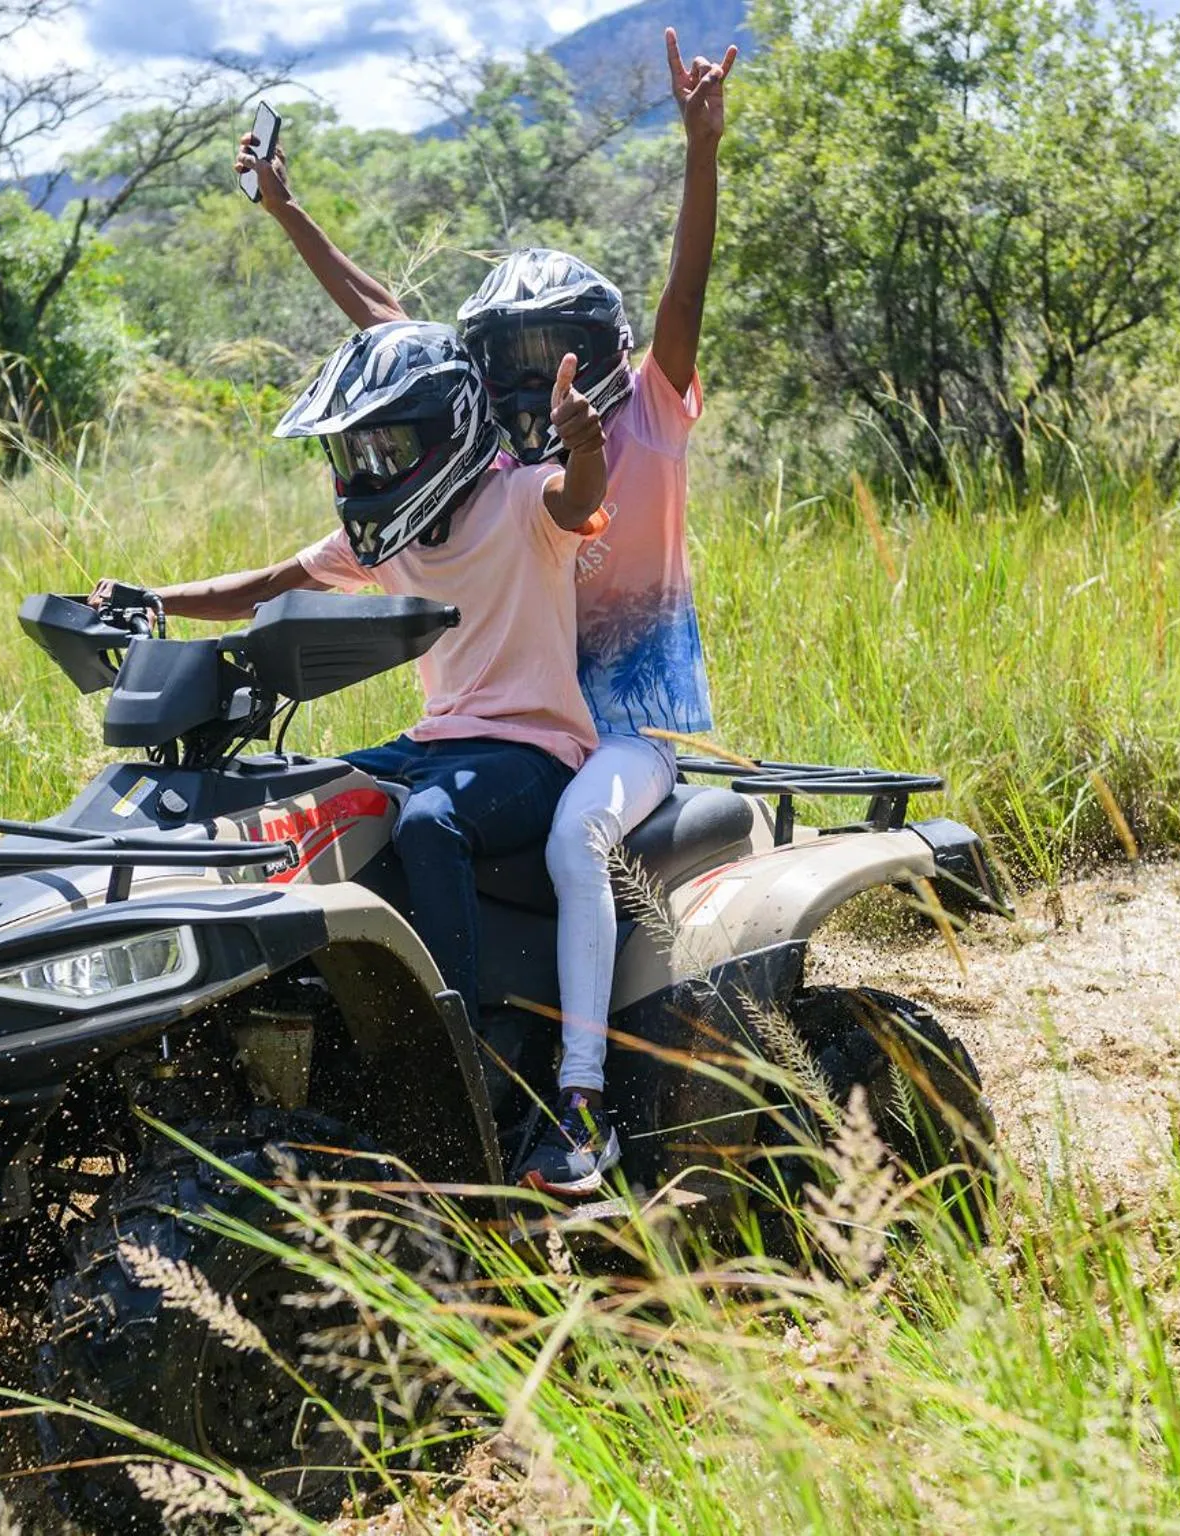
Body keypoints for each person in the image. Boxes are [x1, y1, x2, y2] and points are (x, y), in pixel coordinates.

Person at [234, 30, 736, 1196]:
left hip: (625, 726)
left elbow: (682, 291)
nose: (531, 380)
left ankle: (574, 1104)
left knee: (576, 841)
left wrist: (699, 153)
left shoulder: (648, 417)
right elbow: (384, 319)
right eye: (507, 359)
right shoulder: (492, 477)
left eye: (553, 354)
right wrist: (289, 213)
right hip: (508, 726)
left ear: (600, 354)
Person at [98, 319, 608, 1040]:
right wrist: (155, 597)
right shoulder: (387, 535)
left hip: (531, 750)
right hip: (434, 742)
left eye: (385, 446)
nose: (367, 468)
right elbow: (267, 586)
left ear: (446, 433)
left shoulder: (522, 502)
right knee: (296, 790)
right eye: (352, 450)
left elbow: (579, 497)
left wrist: (586, 445)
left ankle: (450, 1037)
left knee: (431, 823)